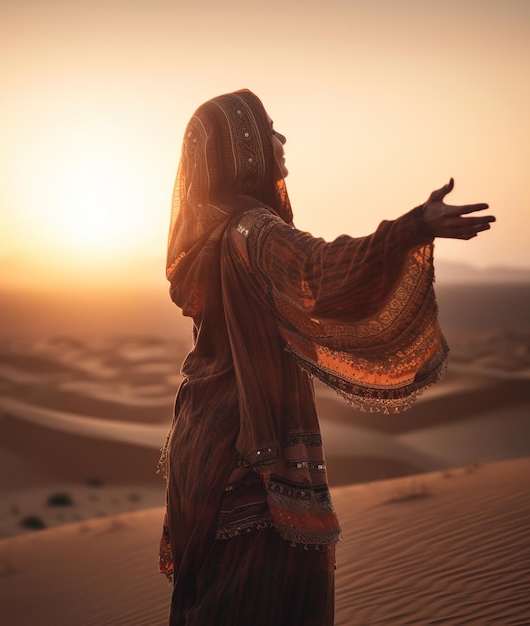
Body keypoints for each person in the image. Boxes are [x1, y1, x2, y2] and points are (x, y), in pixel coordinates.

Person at [158, 89, 494, 626]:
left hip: (201, 442)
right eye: (268, 129)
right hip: (248, 451)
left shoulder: (208, 234)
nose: (280, 139)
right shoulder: (250, 230)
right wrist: (412, 228)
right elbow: (319, 271)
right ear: (241, 148)